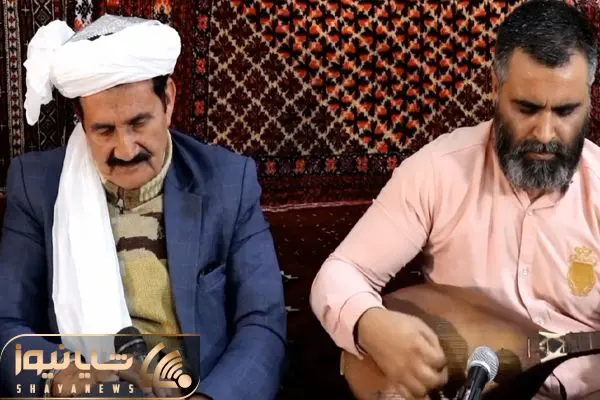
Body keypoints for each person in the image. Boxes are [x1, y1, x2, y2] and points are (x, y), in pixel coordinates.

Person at [310, 0, 600, 399]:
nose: (546, 133)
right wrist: (370, 324)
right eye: (527, 108)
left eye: (566, 111)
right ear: (495, 87)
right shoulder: (438, 171)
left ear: (589, 98)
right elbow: (341, 272)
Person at [0, 14, 286, 400]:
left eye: (138, 123)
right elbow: (7, 322)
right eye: (104, 130)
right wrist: (58, 374)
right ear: (81, 123)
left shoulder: (227, 182)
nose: (125, 149)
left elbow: (262, 324)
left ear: (168, 101)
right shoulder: (36, 186)